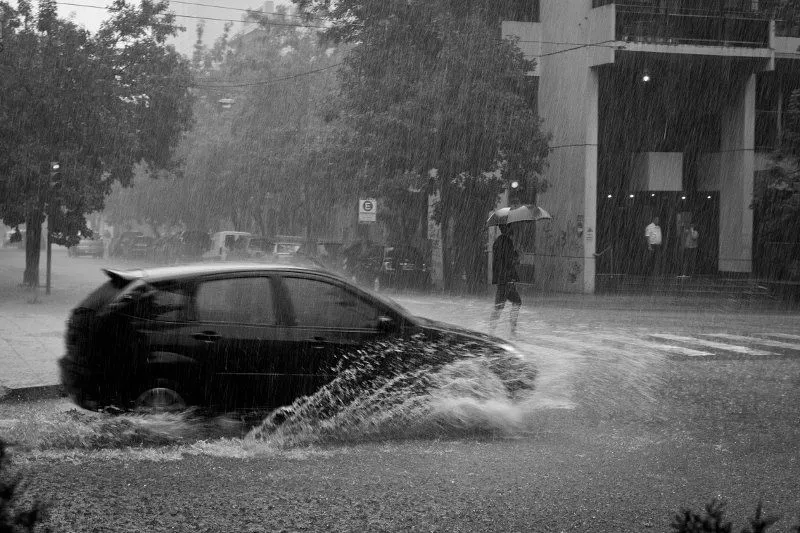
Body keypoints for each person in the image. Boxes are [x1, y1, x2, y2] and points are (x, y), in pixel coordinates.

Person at [489, 224, 521, 336]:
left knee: (499, 306)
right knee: (515, 302)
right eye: (510, 227)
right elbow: (509, 261)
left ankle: (491, 332)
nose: (512, 229)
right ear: (507, 229)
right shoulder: (507, 242)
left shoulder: (497, 242)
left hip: (501, 279)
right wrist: (516, 257)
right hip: (507, 279)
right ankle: (512, 331)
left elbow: (500, 261)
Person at [644, 216, 663, 282]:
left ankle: (656, 275)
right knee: (650, 260)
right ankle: (647, 275)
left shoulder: (658, 227)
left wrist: (660, 241)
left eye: (658, 220)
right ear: (654, 220)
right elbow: (647, 237)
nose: (658, 221)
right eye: (657, 220)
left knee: (657, 260)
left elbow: (659, 235)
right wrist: (649, 246)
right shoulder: (649, 227)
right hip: (652, 245)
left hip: (657, 246)